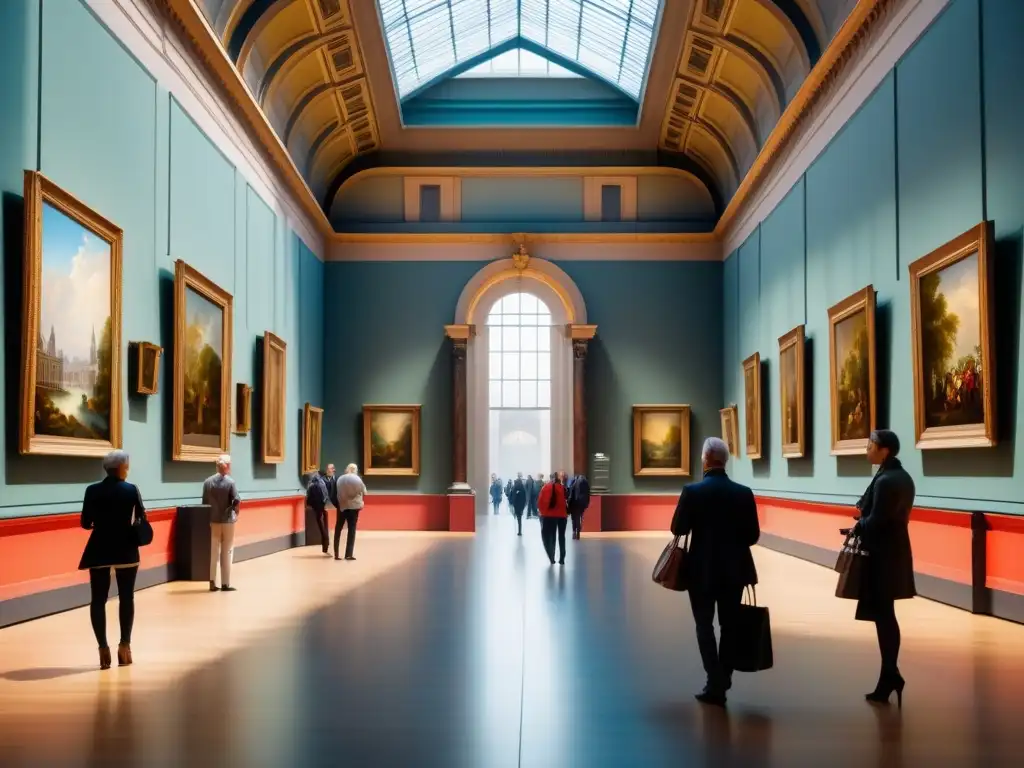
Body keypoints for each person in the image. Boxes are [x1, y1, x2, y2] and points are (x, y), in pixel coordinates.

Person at [670, 437, 759, 707]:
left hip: (702, 571)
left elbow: (678, 529)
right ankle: (724, 676)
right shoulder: (744, 493)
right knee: (729, 626)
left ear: (706, 458)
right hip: (735, 570)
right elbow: (752, 535)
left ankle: (715, 680)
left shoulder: (693, 491)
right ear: (725, 460)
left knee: (704, 625)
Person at [852, 429, 916, 708]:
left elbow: (876, 521)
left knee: (884, 616)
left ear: (884, 450)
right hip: (895, 552)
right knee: (885, 614)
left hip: (881, 556)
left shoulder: (884, 481)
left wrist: (857, 526)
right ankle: (888, 676)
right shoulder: (902, 477)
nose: (867, 449)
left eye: (871, 445)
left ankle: (890, 675)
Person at [79, 450, 147, 669]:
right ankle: (124, 646)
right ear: (120, 468)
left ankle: (102, 649)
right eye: (126, 466)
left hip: (99, 548)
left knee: (98, 600)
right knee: (126, 597)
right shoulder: (131, 489)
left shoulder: (92, 490)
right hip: (126, 548)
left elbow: (85, 522)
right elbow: (141, 517)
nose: (127, 470)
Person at [203, 454, 241, 592]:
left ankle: (212, 581)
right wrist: (236, 512)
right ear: (227, 465)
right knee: (227, 550)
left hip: (213, 520)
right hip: (227, 521)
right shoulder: (230, 482)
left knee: (213, 551)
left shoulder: (207, 482)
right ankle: (225, 583)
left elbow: (205, 503)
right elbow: (236, 501)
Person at [335, 463, 366, 560]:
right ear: (355, 470)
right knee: (351, 530)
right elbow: (364, 491)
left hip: (342, 506)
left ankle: (336, 553)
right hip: (354, 507)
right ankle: (348, 554)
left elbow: (336, 492)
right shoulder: (357, 479)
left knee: (338, 528)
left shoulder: (340, 479)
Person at [538, 471, 568, 564]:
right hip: (562, 516)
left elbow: (541, 501)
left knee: (551, 536)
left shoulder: (546, 487)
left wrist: (542, 512)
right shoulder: (563, 488)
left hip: (550, 516)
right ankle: (562, 558)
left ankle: (552, 557)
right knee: (562, 536)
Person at [306, 470, 331, 555]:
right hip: (323, 506)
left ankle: (325, 541)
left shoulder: (312, 485)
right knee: (325, 525)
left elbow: (309, 497)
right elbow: (326, 495)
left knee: (320, 524)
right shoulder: (322, 483)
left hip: (317, 507)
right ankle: (326, 543)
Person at [566, 473, 591, 540]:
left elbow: (571, 494)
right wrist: (587, 503)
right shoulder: (586, 483)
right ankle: (578, 532)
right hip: (582, 503)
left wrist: (568, 503)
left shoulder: (574, 483)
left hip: (574, 503)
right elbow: (588, 494)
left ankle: (574, 531)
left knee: (574, 518)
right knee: (579, 516)